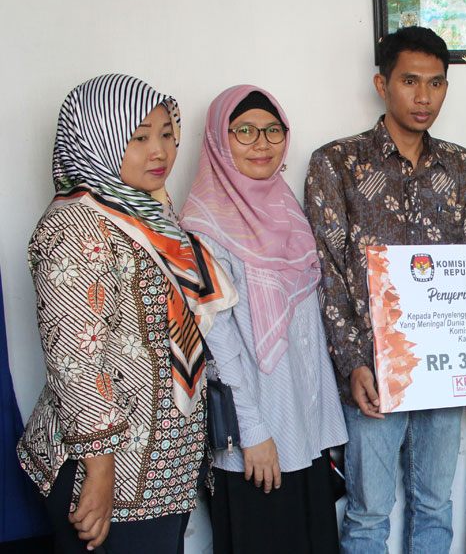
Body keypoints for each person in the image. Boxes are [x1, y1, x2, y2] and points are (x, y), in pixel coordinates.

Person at [17, 74, 235, 553]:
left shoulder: (148, 213)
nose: (159, 151)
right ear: (98, 139)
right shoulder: (77, 225)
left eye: (166, 134)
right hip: (109, 474)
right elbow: (75, 358)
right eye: (138, 138)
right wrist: (99, 472)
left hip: (160, 465)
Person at [304, 26, 466, 553]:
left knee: (435, 505)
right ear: (382, 84)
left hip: (443, 369)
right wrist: (353, 364)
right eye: (410, 81)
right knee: (367, 514)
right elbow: (326, 272)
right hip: (373, 371)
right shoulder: (337, 163)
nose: (424, 97)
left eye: (436, 83)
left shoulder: (462, 167)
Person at [179, 85, 349, 553]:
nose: (262, 143)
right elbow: (217, 344)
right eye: (245, 131)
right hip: (256, 440)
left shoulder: (286, 209)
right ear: (219, 140)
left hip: (304, 430)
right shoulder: (203, 227)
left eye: (274, 130)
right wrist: (252, 432)